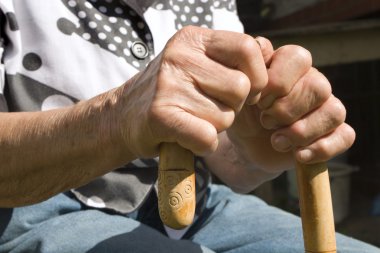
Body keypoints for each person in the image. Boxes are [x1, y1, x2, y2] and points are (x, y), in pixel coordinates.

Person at [0, 0, 378, 252]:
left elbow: (232, 163)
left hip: (199, 206)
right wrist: (114, 118)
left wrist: (259, 144)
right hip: (33, 211)